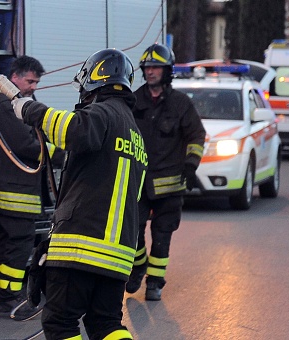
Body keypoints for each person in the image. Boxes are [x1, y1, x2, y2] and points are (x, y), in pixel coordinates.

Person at [12, 48, 148, 340]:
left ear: (94, 80)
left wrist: (30, 110)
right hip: (117, 258)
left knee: (60, 323)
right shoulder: (136, 135)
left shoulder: (102, 112)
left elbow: (72, 130)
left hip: (81, 248)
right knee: (107, 325)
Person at [0, 55, 64, 320]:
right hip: (12, 191)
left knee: (9, 245)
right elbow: (25, 144)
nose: (33, 87)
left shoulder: (18, 101)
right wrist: (62, 155)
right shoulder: (4, 102)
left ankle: (0, 295)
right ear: (14, 77)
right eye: (30, 81)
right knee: (19, 244)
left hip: (16, 188)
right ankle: (8, 296)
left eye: (37, 82)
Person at [125, 43, 206, 300]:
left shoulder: (181, 104)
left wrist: (191, 165)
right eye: (147, 68)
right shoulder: (133, 101)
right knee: (133, 231)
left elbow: (196, 136)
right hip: (137, 182)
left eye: (155, 67)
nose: (150, 72)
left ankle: (155, 282)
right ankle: (138, 266)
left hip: (170, 185)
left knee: (162, 235)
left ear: (167, 71)